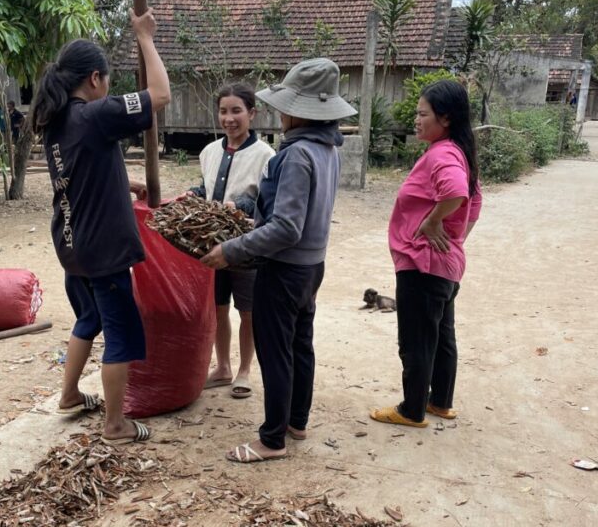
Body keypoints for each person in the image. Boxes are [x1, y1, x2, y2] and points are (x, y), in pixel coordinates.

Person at [202, 58, 355, 463]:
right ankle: (296, 421)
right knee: (300, 344)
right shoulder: (328, 149)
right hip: (311, 267)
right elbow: (296, 218)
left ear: (297, 110)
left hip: (284, 269)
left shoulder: (295, 155)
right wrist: (254, 221)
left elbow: (287, 228)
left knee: (275, 352)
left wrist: (232, 249)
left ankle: (272, 439)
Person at [32, 9, 170, 443]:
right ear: (94, 78)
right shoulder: (95, 115)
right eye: (106, 79)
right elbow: (160, 95)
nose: (107, 87)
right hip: (102, 249)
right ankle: (115, 424)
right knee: (122, 331)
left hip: (72, 245)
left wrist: (126, 184)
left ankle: (70, 394)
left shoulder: (56, 120)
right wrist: (145, 38)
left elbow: (82, 171)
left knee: (88, 318)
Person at [370, 79, 482, 428]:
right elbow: (474, 202)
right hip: (445, 266)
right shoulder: (458, 151)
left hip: (423, 264)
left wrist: (435, 224)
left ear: (445, 118)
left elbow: (457, 192)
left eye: (422, 114)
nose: (416, 120)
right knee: (441, 336)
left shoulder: (443, 153)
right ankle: (440, 402)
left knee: (416, 340)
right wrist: (455, 237)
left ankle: (412, 409)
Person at [189, 83, 274, 399]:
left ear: (252, 113)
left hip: (247, 246)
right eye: (223, 111)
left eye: (237, 111)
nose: (229, 118)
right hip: (211, 244)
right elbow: (207, 189)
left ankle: (244, 371)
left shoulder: (266, 155)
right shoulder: (209, 152)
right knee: (217, 307)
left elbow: (267, 204)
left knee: (249, 310)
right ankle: (223, 367)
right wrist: (193, 195)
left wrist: (239, 206)